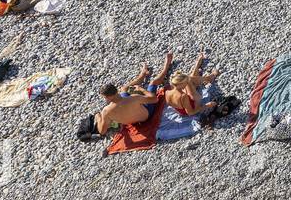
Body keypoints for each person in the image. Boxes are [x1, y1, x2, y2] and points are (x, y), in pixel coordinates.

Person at [75, 52, 225, 141]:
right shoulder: (132, 98)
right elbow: (154, 99)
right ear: (114, 93)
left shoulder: (106, 112)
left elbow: (101, 131)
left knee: (125, 88)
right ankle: (167, 65)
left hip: (133, 123)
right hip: (147, 114)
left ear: (107, 97)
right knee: (156, 83)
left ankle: (143, 74)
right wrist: (142, 90)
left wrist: (99, 116)